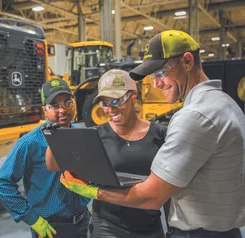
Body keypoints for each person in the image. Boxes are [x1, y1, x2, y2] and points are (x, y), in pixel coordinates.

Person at [60, 30, 245, 238]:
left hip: (199, 233)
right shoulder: (226, 104)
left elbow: (152, 197)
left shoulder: (193, 117)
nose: (156, 83)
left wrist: (94, 192)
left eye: (160, 73)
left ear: (187, 61)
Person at [46, 69, 168, 238]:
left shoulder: (160, 134)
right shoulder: (95, 135)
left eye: (116, 101)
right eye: (104, 103)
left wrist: (172, 228)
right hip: (108, 226)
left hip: (150, 226)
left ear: (133, 97)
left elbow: (169, 190)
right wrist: (56, 137)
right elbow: (53, 166)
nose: (110, 109)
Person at [0, 78, 90, 238]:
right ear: (44, 109)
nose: (63, 110)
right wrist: (32, 219)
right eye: (55, 105)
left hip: (83, 222)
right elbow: (2, 183)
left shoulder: (80, 135)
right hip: (51, 227)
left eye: (67, 102)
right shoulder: (30, 142)